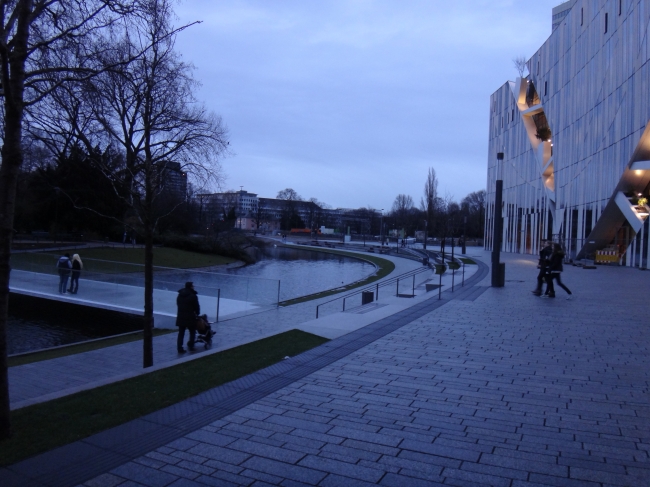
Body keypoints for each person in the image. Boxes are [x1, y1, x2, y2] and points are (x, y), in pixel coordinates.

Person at [176, 281, 200, 353]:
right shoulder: (193, 296)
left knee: (181, 333)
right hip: (190, 316)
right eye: (193, 286)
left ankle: (179, 348)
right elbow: (196, 307)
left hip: (181, 316)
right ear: (191, 287)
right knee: (192, 331)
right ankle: (191, 345)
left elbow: (178, 304)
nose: (194, 287)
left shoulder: (180, 295)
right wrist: (197, 313)